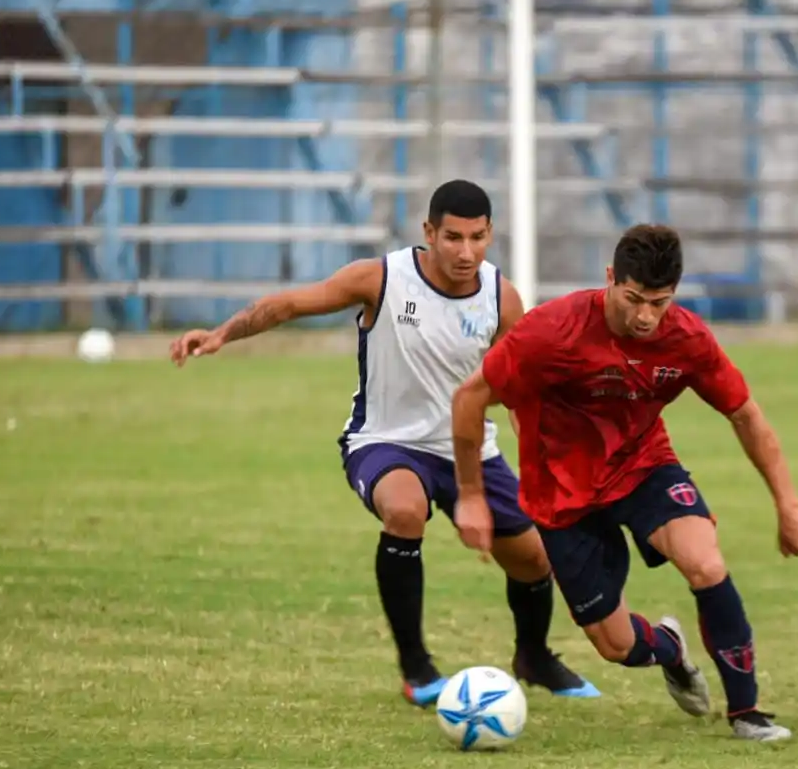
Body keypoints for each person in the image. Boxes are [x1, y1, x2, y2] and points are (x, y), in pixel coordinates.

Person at [169, 179, 597, 707]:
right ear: (429, 232)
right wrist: (221, 333)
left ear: (490, 234)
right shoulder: (382, 278)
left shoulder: (502, 298)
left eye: (478, 238)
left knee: (533, 560)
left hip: (469, 449)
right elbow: (289, 305)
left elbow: (518, 393)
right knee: (405, 510)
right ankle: (416, 667)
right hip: (385, 441)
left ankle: (533, 656)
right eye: (453, 237)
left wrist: (543, 462)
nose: (466, 252)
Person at [449, 223, 798, 742]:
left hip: (643, 467)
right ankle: (669, 649)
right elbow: (469, 397)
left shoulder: (685, 339)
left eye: (659, 303)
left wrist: (789, 505)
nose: (645, 316)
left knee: (706, 563)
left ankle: (747, 712)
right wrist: (471, 495)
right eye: (634, 299)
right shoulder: (551, 332)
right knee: (616, 645)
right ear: (610, 279)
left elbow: (746, 415)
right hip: (561, 493)